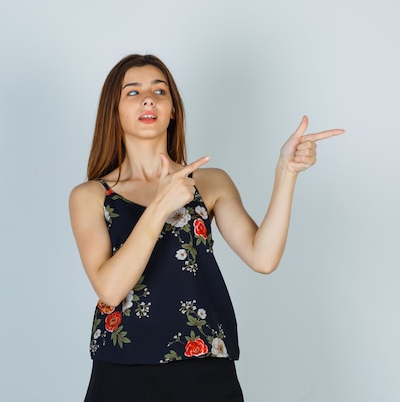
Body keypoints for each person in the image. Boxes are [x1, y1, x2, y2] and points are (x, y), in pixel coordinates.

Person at [69, 54, 344, 402]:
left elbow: (263, 257)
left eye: (159, 90)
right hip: (122, 369)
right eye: (133, 93)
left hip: (204, 369)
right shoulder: (91, 195)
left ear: (173, 110)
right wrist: (160, 205)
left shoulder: (209, 183)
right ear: (115, 111)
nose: (148, 99)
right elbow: (109, 289)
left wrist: (286, 173)